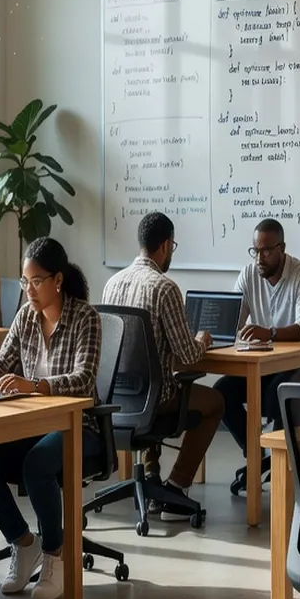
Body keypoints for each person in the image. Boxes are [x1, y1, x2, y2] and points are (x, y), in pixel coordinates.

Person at [0, 238, 103, 599]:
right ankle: (24, 543)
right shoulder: (25, 317)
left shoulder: (86, 318)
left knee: (37, 464)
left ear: (57, 279)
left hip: (80, 426)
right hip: (32, 425)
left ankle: (55, 554)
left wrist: (35, 385)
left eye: (36, 281)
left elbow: (84, 379)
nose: (29, 290)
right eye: (24, 281)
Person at [101, 212, 225, 519]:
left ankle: (152, 474)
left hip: (115, 400)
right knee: (216, 402)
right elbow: (188, 353)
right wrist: (202, 340)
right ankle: (177, 485)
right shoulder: (164, 287)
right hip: (154, 400)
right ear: (166, 245)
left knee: (155, 378)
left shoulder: (111, 284)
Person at [213, 219, 300, 465]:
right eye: (255, 251)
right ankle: (256, 453)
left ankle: (282, 463)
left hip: (293, 367)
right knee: (220, 393)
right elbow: (234, 323)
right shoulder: (249, 274)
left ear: (282, 248)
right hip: (259, 365)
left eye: (267, 251)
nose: (260, 258)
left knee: (276, 394)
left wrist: (270, 333)